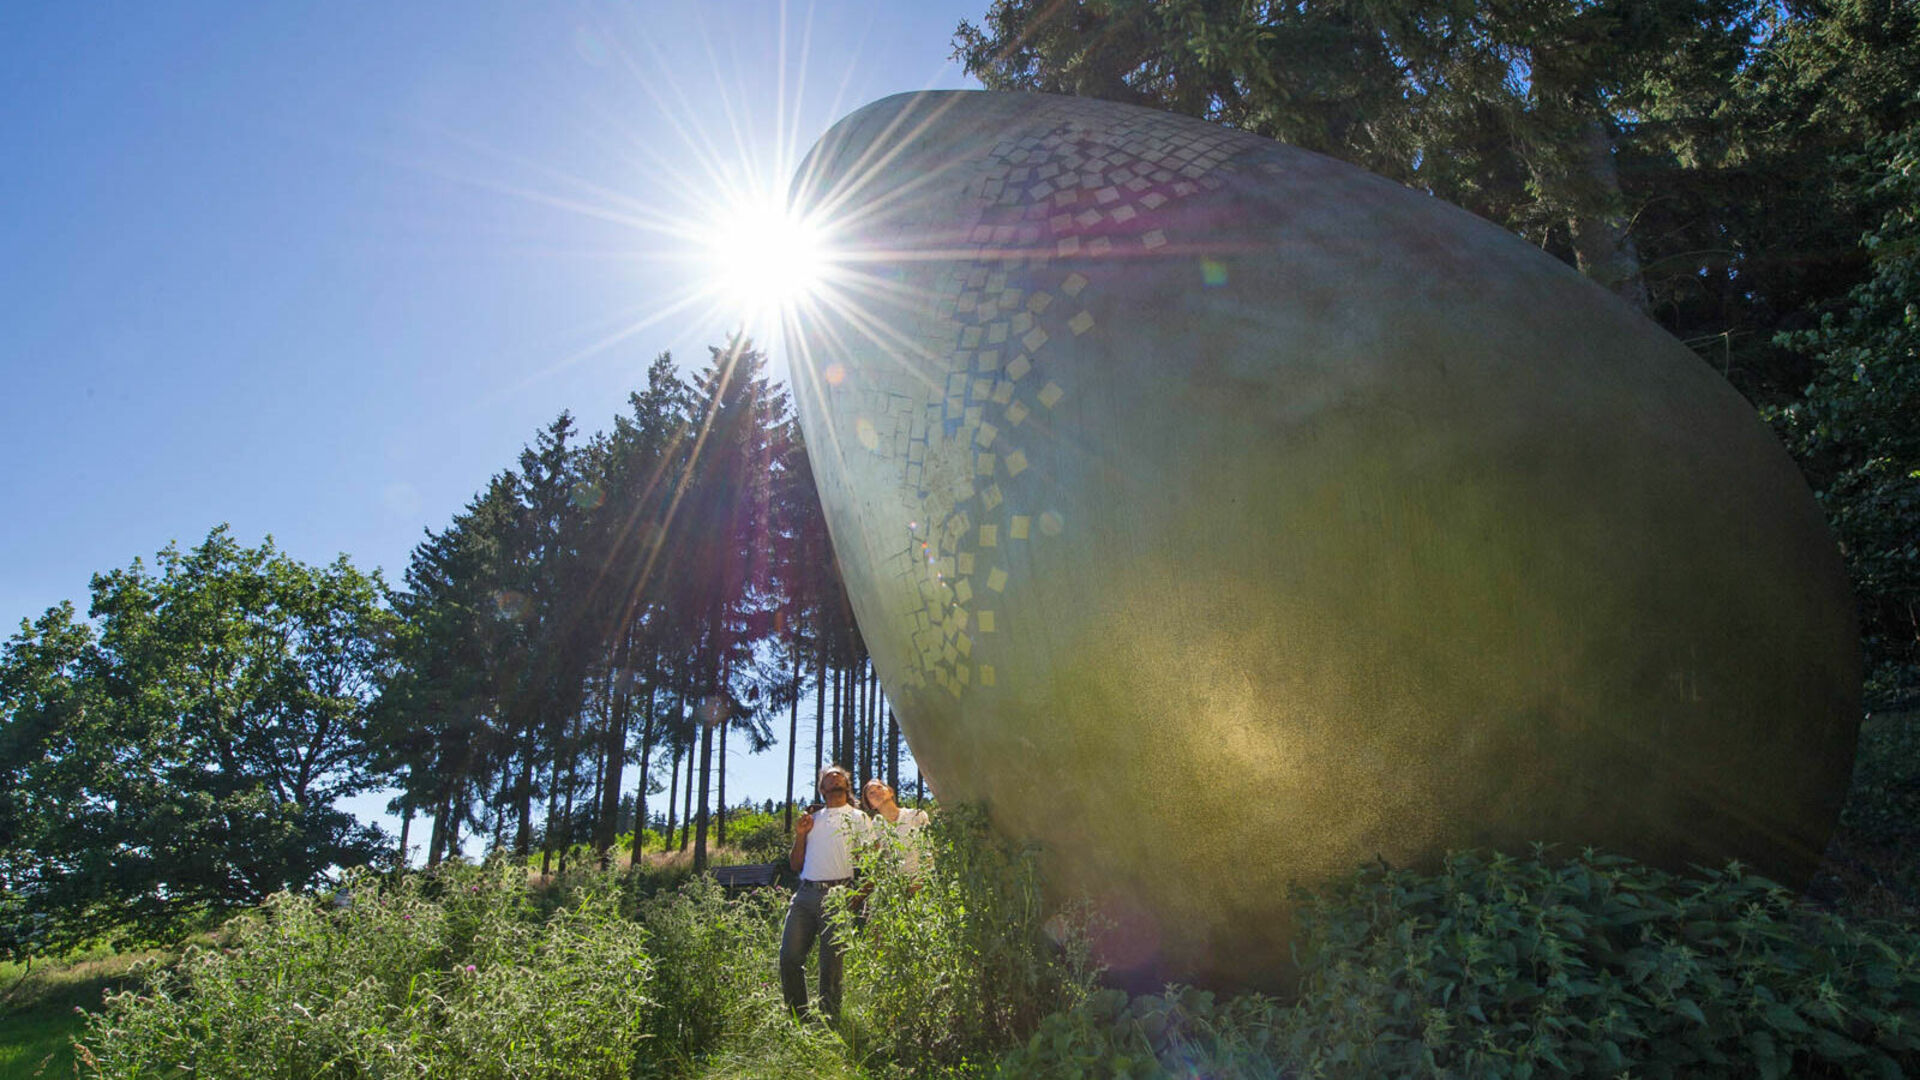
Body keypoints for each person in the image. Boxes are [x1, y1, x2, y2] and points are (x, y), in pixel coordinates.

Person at [779, 764, 869, 1020]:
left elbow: (871, 860)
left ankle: (831, 1024)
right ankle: (799, 1019)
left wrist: (857, 896)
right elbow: (795, 864)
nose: (834, 776)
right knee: (789, 957)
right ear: (822, 789)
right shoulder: (811, 820)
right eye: (828, 776)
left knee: (831, 969)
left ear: (847, 785)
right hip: (805, 895)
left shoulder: (859, 818)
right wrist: (800, 834)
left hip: (839, 895)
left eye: (839, 775)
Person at [862, 779, 931, 878]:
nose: (877, 792)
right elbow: (877, 862)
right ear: (871, 805)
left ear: (890, 792)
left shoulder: (916, 815)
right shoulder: (873, 828)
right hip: (895, 887)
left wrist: (922, 880)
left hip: (923, 882)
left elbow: (929, 849)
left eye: (879, 787)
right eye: (871, 793)